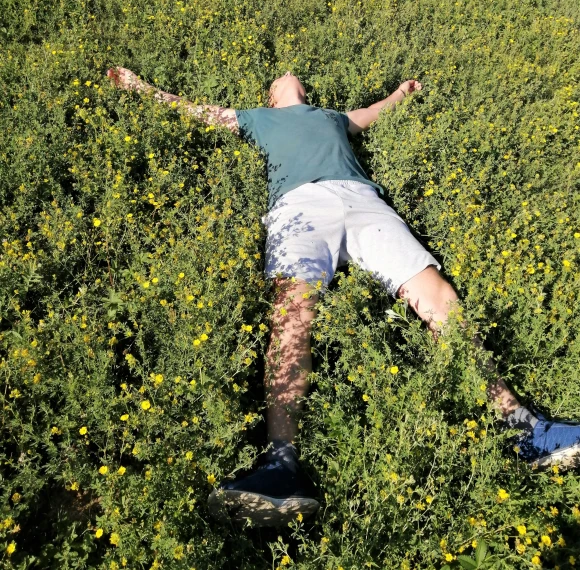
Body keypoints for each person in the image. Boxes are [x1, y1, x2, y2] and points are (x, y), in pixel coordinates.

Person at [107, 66, 580, 527]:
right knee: (292, 313)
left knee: (438, 294)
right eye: (278, 79)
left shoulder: (333, 116)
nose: (288, 76)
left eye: (294, 78)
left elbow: (374, 111)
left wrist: (401, 93)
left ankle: (523, 427)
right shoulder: (256, 117)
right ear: (272, 96)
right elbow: (197, 111)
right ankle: (281, 464)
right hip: (299, 207)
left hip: (364, 200)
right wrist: (140, 87)